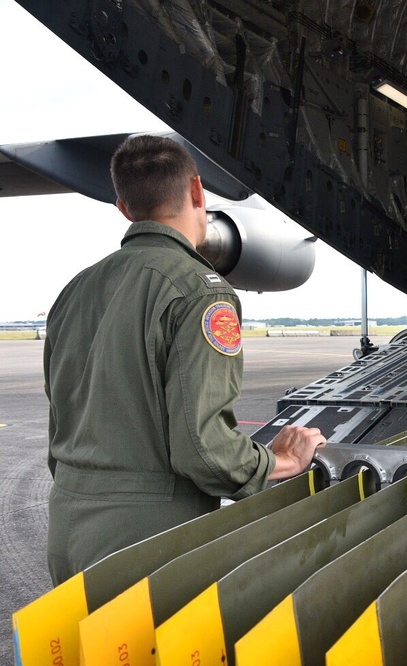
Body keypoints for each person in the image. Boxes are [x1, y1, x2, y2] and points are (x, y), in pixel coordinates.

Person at [43, 135, 326, 585]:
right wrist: (277, 463)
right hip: (146, 542)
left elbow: (62, 422)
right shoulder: (201, 290)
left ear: (122, 207)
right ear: (198, 191)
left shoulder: (75, 290)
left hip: (67, 528)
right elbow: (203, 449)